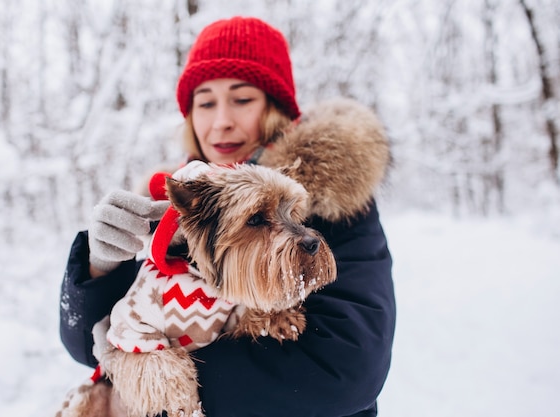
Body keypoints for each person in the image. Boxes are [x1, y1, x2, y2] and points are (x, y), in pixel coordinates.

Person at [59, 16, 396, 417]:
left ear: (275, 109)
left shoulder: (335, 202)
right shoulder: (169, 208)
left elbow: (345, 369)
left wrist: (158, 391)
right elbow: (86, 344)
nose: (221, 121)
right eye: (205, 103)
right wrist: (100, 269)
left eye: (242, 99)